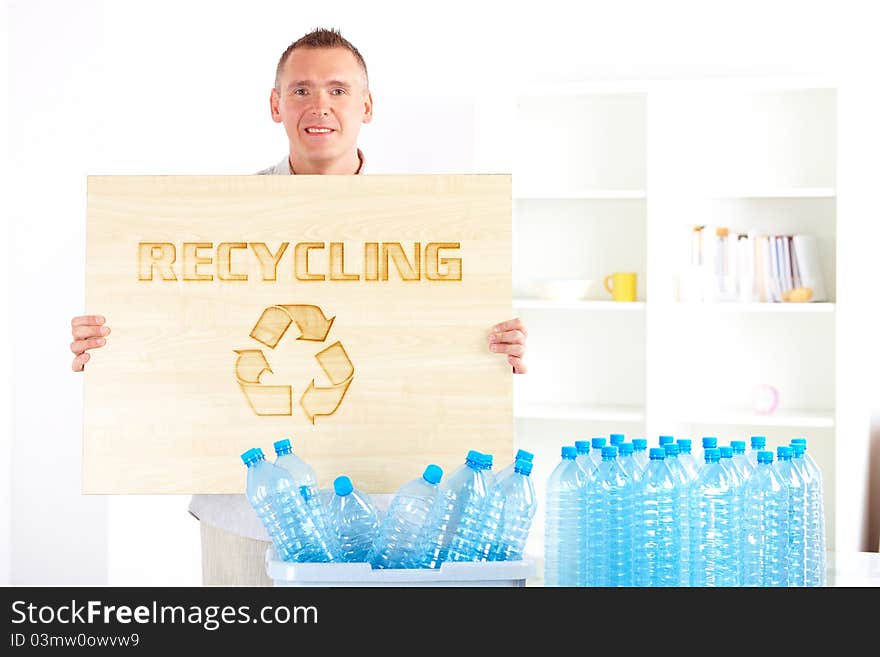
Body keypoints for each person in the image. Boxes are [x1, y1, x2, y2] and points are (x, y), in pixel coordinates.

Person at [69, 27, 528, 585]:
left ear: (367, 105)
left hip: (379, 513)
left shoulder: (427, 222)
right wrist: (116, 343)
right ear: (275, 104)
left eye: (338, 90)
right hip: (247, 516)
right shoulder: (210, 219)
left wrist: (492, 349)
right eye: (301, 90)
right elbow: (181, 326)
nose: (320, 107)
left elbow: (430, 342)